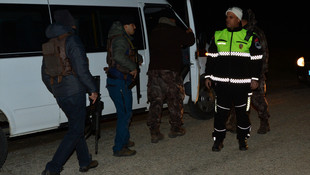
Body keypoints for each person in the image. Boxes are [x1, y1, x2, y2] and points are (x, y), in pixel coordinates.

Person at [41, 10, 98, 174]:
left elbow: (44, 74)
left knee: (76, 125)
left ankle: (85, 161)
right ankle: (53, 167)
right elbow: (81, 69)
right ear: (69, 24)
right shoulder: (72, 40)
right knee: (76, 130)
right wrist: (92, 89)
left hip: (60, 93)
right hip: (75, 91)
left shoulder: (50, 44)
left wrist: (55, 90)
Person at [205, 7, 263, 151]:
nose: (228, 19)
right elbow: (211, 57)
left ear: (238, 19)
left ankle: (242, 139)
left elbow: (257, 59)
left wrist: (255, 79)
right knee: (220, 114)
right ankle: (218, 140)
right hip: (222, 84)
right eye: (227, 17)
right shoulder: (218, 35)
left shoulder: (250, 36)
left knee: (242, 114)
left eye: (231, 17)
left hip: (242, 85)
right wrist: (208, 76)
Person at [147, 11, 195, 143]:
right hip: (170, 72)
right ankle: (176, 128)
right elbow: (190, 41)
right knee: (174, 99)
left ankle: (154, 131)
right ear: (170, 20)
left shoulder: (154, 32)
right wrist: (190, 32)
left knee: (155, 101)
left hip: (154, 71)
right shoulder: (174, 30)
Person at [226, 9, 271, 134]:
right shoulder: (236, 32)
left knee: (257, 99)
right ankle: (235, 122)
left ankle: (264, 122)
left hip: (254, 71)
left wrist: (260, 72)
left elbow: (263, 52)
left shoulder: (255, 32)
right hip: (239, 72)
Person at [105, 16, 142, 157]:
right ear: (126, 26)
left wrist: (137, 58)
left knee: (126, 113)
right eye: (133, 24)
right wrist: (133, 66)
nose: (135, 27)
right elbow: (118, 56)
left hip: (118, 82)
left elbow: (125, 54)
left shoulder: (118, 38)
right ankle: (119, 148)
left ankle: (125, 140)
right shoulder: (121, 39)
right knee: (124, 115)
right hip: (119, 82)